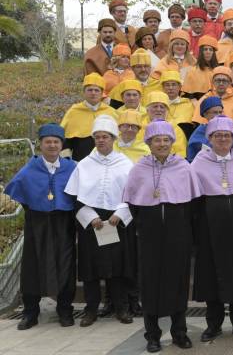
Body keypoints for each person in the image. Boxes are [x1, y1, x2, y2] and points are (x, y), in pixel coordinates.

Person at [122, 120, 201, 352]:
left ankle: (179, 332)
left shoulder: (183, 166)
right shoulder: (139, 168)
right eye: (157, 140)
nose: (162, 144)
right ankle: (152, 334)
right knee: (149, 283)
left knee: (178, 280)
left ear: (172, 142)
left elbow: (192, 204)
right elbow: (133, 203)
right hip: (149, 234)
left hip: (178, 233)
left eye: (166, 140)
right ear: (148, 143)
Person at [65, 115, 135, 327]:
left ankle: (121, 308)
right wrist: (91, 217)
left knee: (118, 267)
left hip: (116, 222)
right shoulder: (84, 164)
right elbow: (75, 197)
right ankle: (91, 309)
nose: (101, 140)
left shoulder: (125, 163)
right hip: (91, 224)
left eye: (105, 137)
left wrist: (120, 214)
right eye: (97, 137)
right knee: (90, 268)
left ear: (113, 138)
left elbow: (133, 195)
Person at [6, 124, 77, 330]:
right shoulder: (30, 168)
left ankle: (65, 309)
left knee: (65, 263)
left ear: (61, 145)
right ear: (40, 145)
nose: (52, 145)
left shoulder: (72, 167)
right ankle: (30, 312)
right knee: (32, 265)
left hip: (63, 221)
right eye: (48, 142)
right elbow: (18, 189)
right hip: (37, 221)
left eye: (56, 142)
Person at [190, 115, 233, 342]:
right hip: (210, 225)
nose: (223, 139)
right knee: (211, 274)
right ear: (210, 138)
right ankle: (213, 324)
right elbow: (194, 195)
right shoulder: (199, 161)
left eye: (227, 135)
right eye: (218, 136)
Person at [61, 73, 118, 161]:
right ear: (84, 92)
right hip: (80, 160)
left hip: (108, 159)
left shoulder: (110, 112)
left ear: (102, 93)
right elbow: (66, 140)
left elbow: (118, 138)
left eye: (96, 90)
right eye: (90, 90)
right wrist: (67, 160)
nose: (93, 93)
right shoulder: (74, 111)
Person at [137, 91, 188, 158]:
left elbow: (180, 153)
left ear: (167, 110)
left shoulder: (175, 128)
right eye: (155, 106)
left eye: (162, 107)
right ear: (147, 110)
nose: (159, 109)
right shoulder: (138, 125)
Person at [187, 96, 224, 161]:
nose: (218, 115)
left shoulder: (228, 129)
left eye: (220, 112)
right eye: (215, 112)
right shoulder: (200, 132)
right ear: (205, 114)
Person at [160, 70, 195, 137]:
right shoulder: (158, 105)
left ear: (179, 87)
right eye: (167, 85)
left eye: (173, 84)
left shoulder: (188, 104)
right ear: (163, 87)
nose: (170, 88)